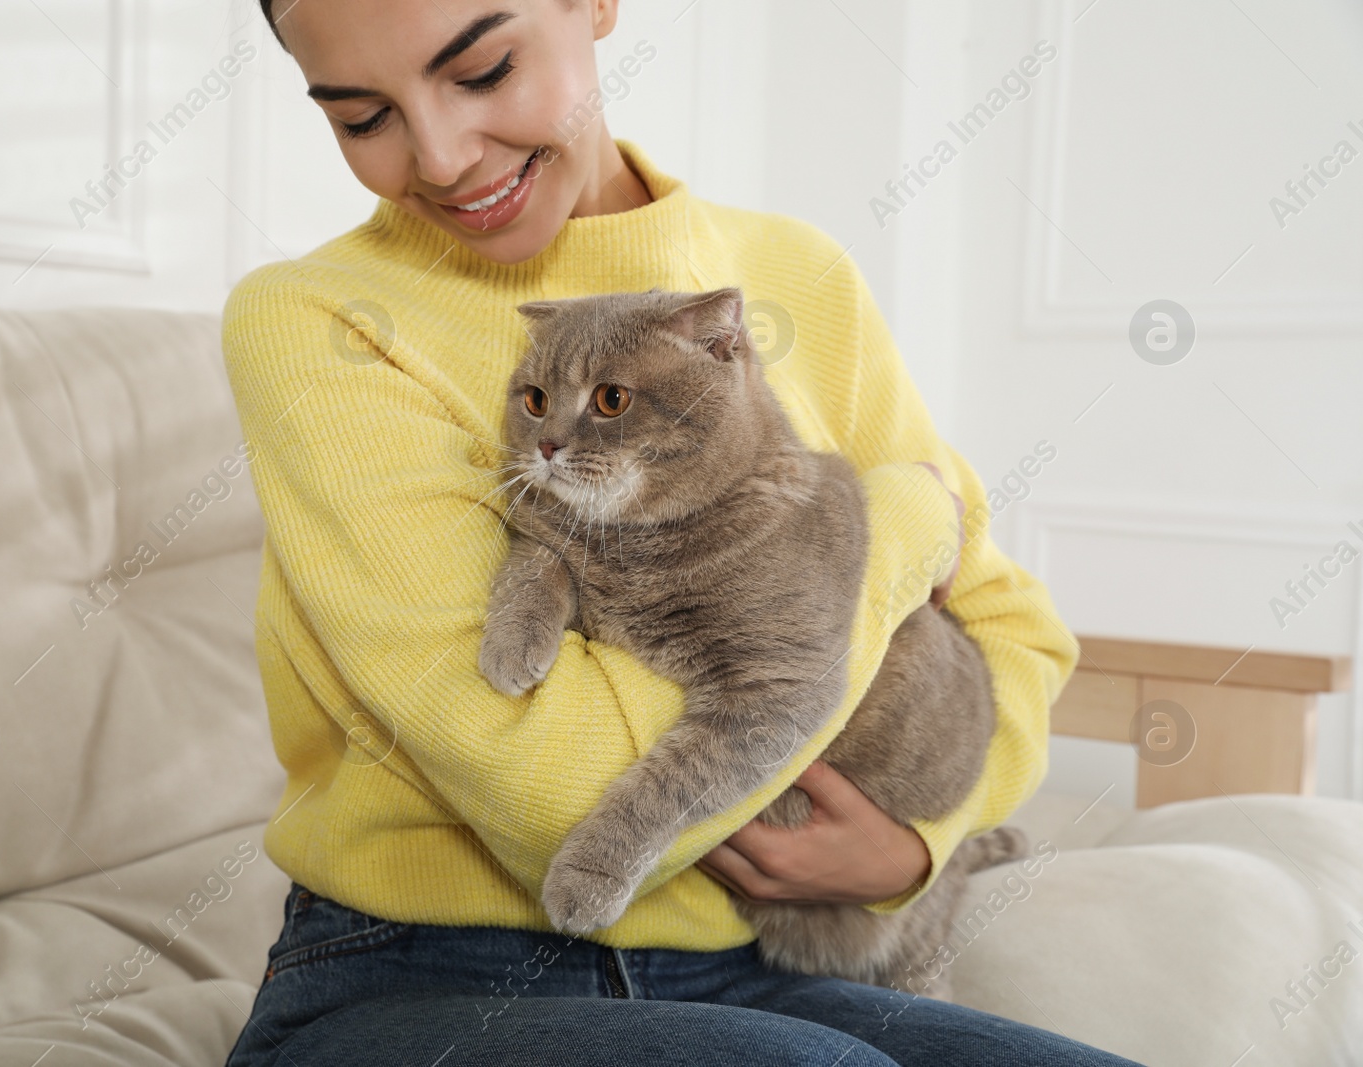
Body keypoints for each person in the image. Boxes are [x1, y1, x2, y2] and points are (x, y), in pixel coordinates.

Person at [220, 1, 1143, 1064]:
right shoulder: (317, 320)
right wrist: (896, 520)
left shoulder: (799, 274)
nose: (440, 155)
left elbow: (1015, 636)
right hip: (419, 971)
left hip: (766, 964)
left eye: (481, 71)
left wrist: (911, 846)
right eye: (363, 117)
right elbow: (551, 790)